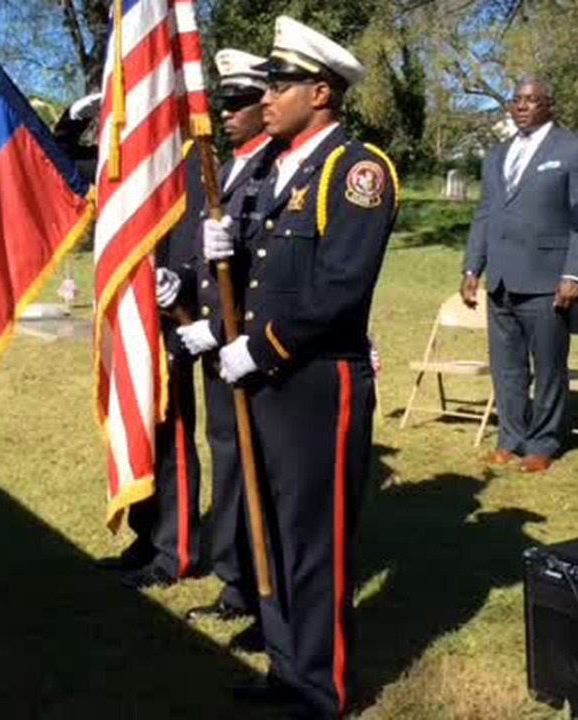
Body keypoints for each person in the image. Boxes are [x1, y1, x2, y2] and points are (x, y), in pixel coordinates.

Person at [202, 16, 398, 717]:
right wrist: (226, 254)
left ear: (320, 91)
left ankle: (322, 687)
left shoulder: (357, 170)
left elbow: (340, 286)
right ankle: (286, 666)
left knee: (317, 540)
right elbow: (262, 278)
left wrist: (261, 347)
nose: (268, 94)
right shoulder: (278, 168)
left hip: (317, 380)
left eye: (280, 83)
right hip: (268, 380)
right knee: (274, 531)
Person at [174, 48, 279, 639]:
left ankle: (269, 596)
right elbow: (212, 257)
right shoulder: (229, 165)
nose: (229, 112)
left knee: (258, 471)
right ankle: (238, 581)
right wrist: (183, 284)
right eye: (224, 102)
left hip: (254, 345)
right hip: (220, 348)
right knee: (228, 465)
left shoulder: (275, 166)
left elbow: (265, 269)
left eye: (240, 101)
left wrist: (220, 329)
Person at [83, 97, 205, 590]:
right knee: (136, 429)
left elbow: (197, 228)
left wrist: (181, 284)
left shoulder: (190, 155)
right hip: (133, 309)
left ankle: (176, 548)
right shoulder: (132, 155)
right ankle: (146, 533)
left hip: (172, 309)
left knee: (171, 434)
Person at [461, 76, 578, 473]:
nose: (522, 107)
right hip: (501, 279)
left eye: (532, 100)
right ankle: (511, 437)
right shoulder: (497, 154)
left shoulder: (575, 149)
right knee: (506, 366)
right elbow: (485, 212)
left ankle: (543, 441)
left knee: (549, 366)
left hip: (547, 279)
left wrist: (574, 273)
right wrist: (473, 266)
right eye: (517, 100)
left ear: (549, 105)